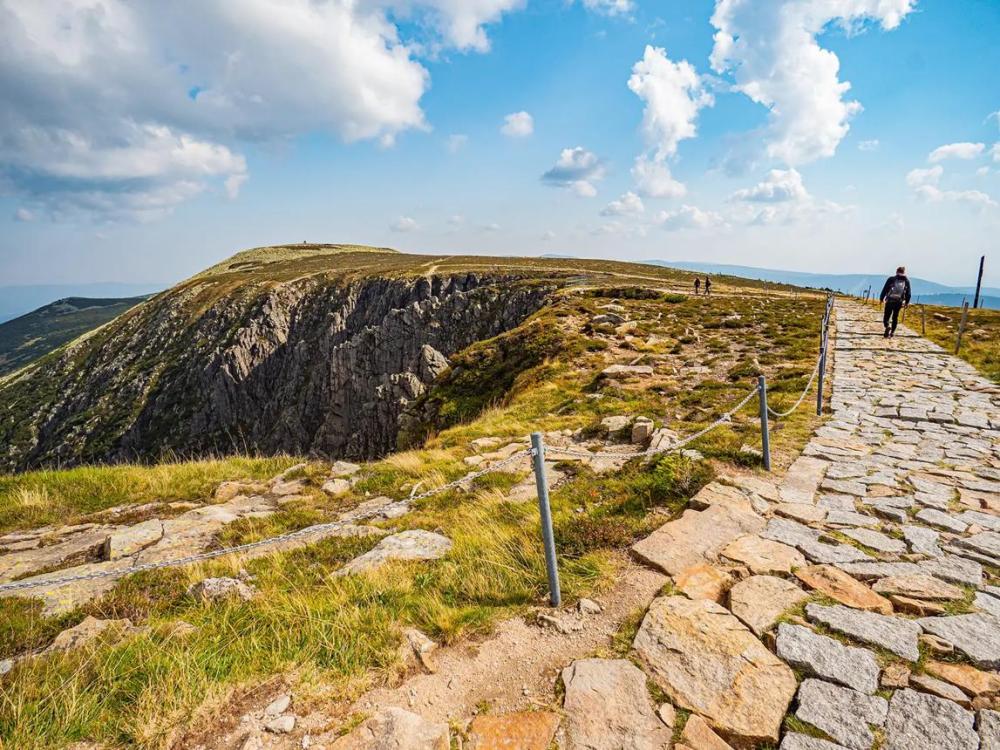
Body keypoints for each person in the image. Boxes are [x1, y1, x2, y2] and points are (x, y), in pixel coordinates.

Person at [879, 266, 911, 338]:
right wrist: (907, 303)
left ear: (896, 271)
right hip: (899, 302)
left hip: (890, 300)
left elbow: (885, 289)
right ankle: (892, 332)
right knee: (895, 317)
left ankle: (887, 326)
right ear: (904, 272)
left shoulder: (891, 279)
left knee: (887, 315)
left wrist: (881, 298)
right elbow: (908, 293)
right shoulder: (906, 281)